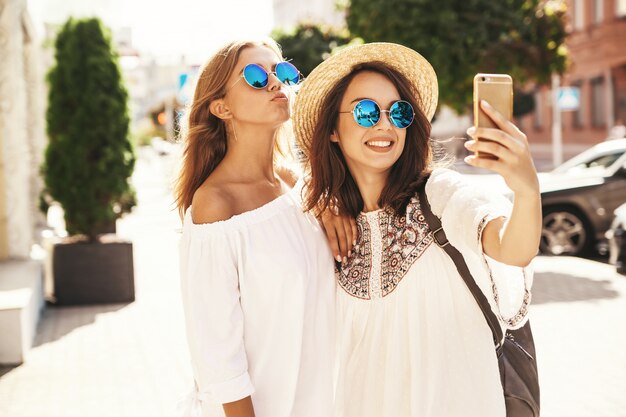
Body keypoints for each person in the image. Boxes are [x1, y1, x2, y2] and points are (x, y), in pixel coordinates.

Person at [293, 43, 540, 417]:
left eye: (399, 112)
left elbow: (511, 248)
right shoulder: (319, 224)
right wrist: (324, 205)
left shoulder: (441, 195)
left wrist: (526, 188)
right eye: (365, 111)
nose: (384, 124)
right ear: (332, 129)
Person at [175, 38, 339, 417]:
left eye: (282, 71)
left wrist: (332, 207)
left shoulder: (300, 185)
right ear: (221, 107)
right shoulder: (215, 204)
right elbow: (218, 356)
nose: (275, 83)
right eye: (254, 76)